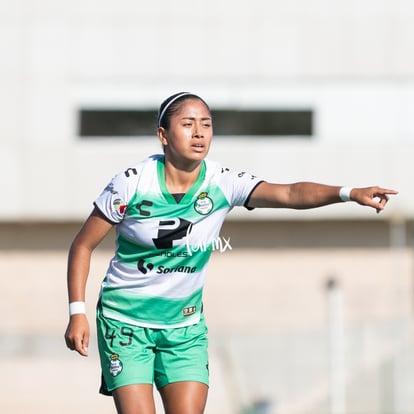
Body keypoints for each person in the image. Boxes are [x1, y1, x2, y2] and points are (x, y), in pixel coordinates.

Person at [64, 92, 398, 414]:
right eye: (188, 124)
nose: (199, 133)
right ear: (163, 135)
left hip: (184, 328)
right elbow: (82, 245)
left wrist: (349, 192)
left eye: (206, 124)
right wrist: (77, 311)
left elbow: (290, 193)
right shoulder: (131, 183)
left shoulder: (221, 182)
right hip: (126, 324)